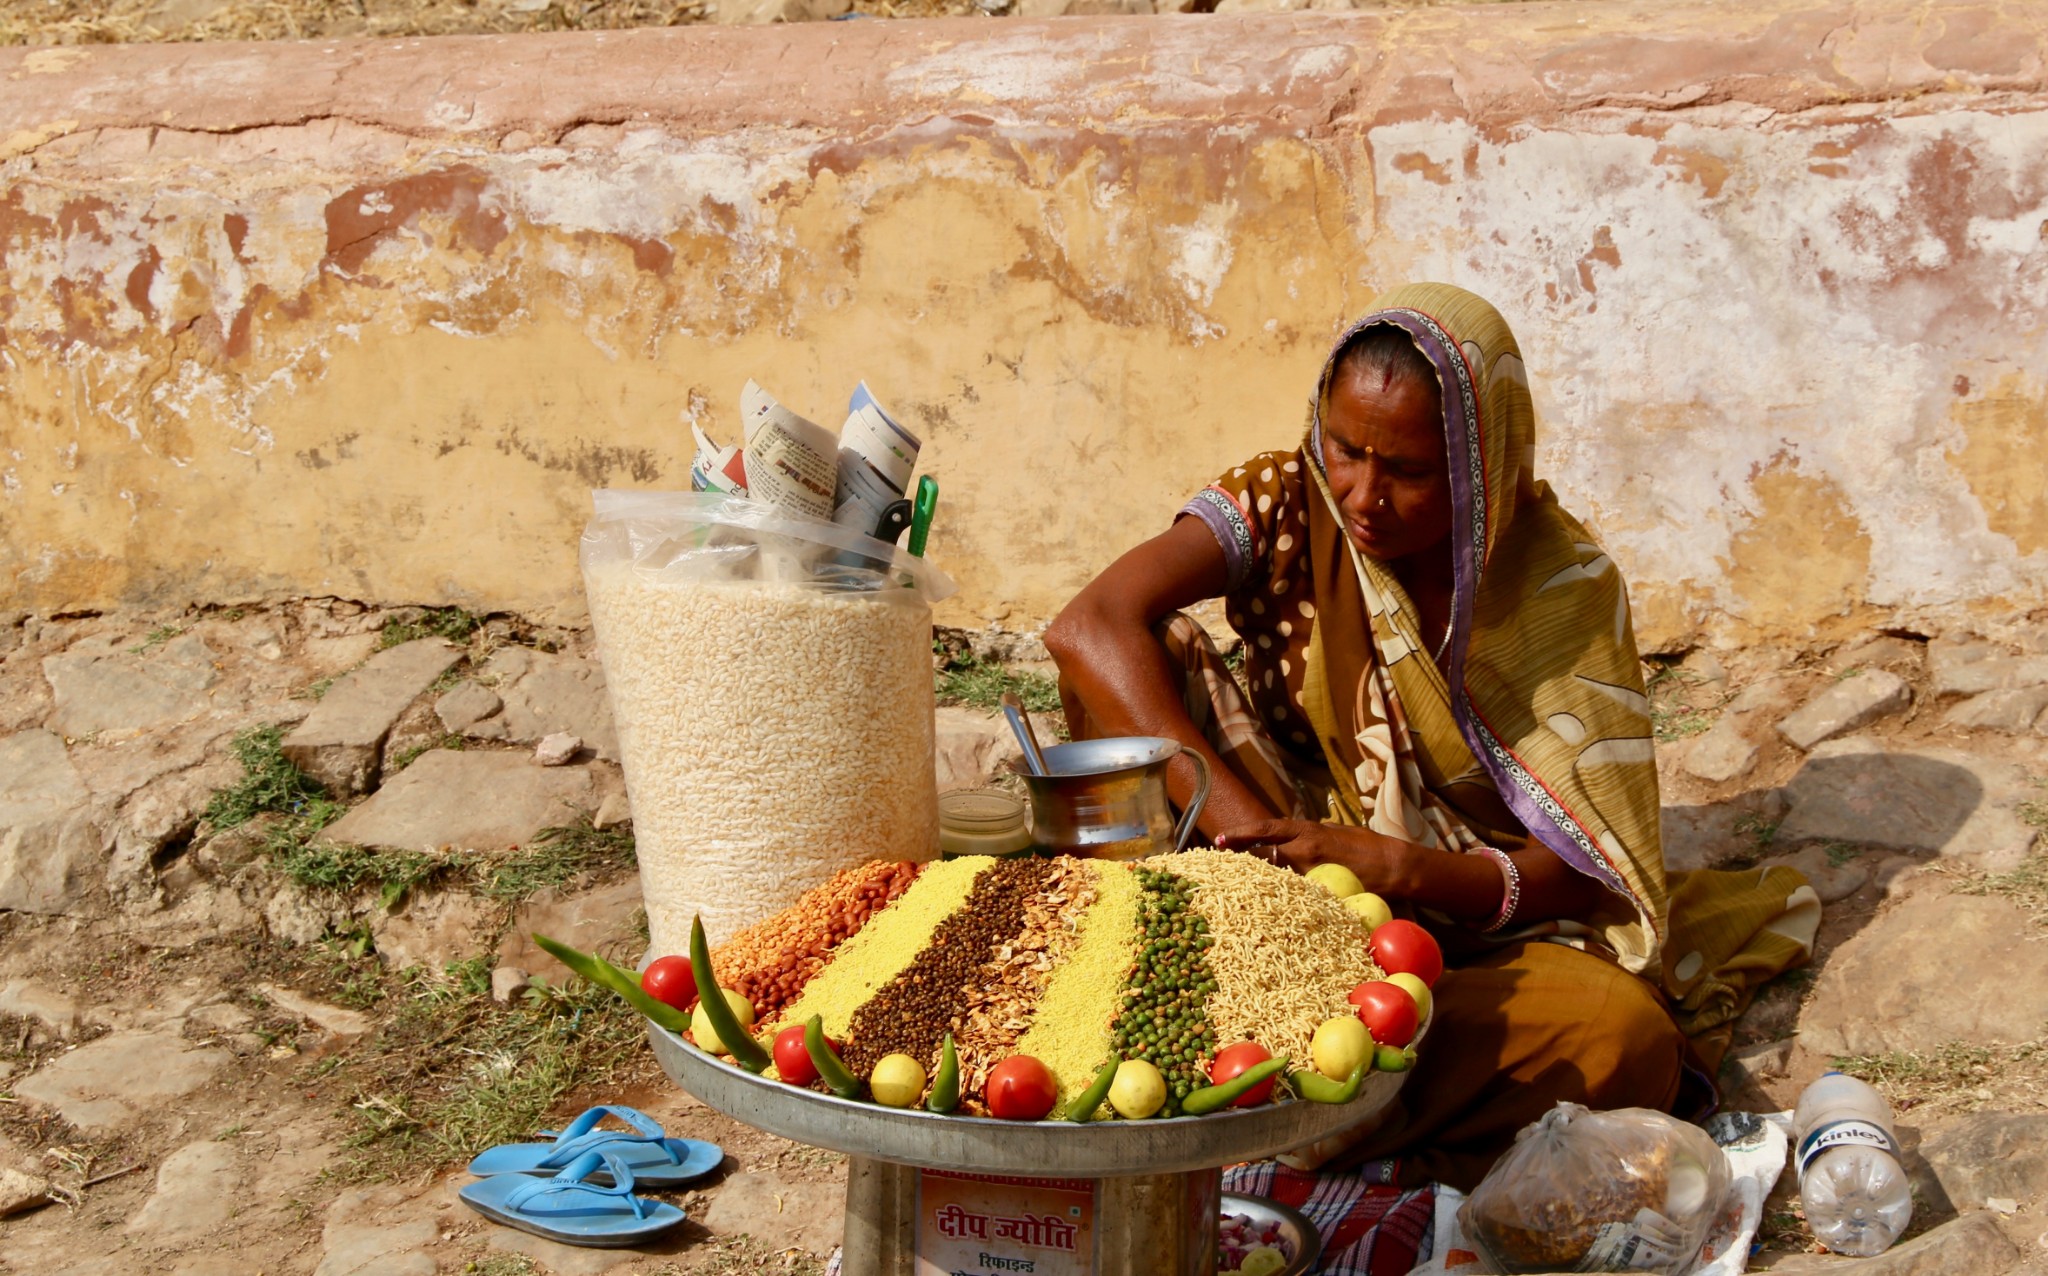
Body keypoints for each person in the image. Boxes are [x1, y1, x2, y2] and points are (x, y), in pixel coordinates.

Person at [1046, 283, 1818, 1192]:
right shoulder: (1288, 498)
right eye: (1345, 450)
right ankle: (1247, 1046)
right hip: (1261, 878)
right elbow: (1090, 623)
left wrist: (1394, 869)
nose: (1363, 496)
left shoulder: (1558, 595)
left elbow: (1580, 871)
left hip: (1456, 935)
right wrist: (1241, 833)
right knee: (1136, 667)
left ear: (1480, 463)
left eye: (1408, 471)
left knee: (1624, 1041)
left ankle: (1275, 1106)